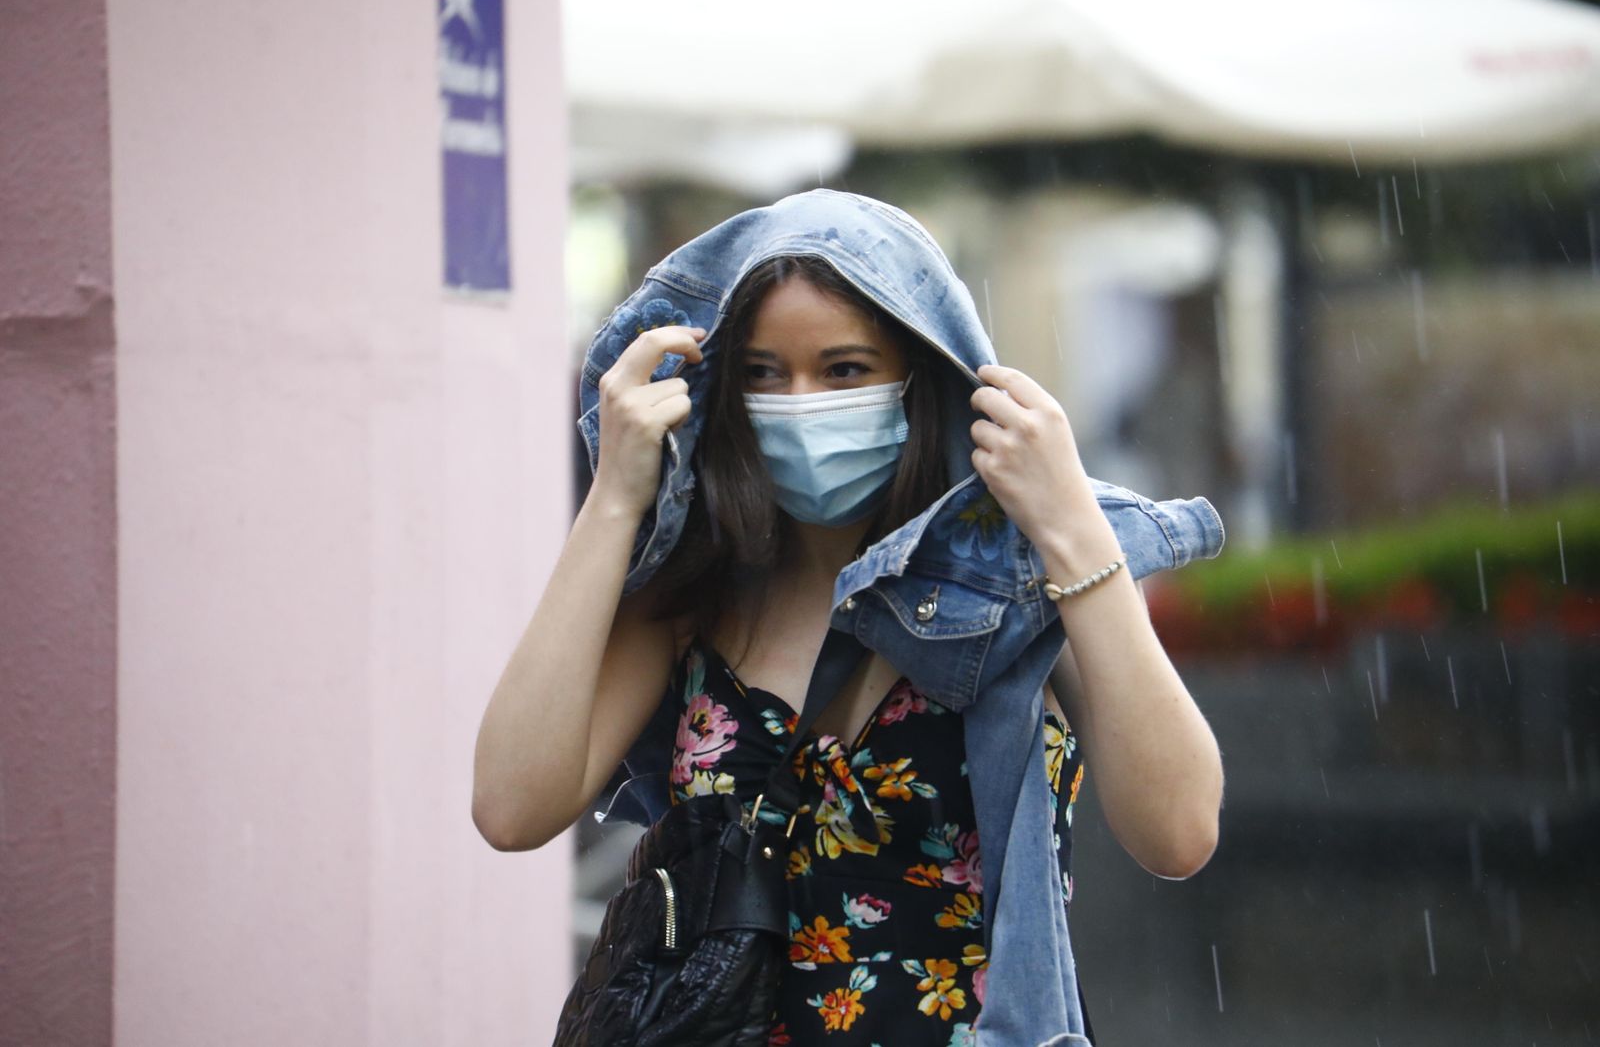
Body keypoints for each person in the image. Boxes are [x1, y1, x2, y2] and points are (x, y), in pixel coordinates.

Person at [473, 189, 1225, 1046]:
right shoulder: (695, 596)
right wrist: (615, 497)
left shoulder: (1024, 586)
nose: (801, 402)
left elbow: (1179, 833)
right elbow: (509, 806)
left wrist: (1074, 533)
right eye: (763, 373)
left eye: (843, 370)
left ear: (920, 376)